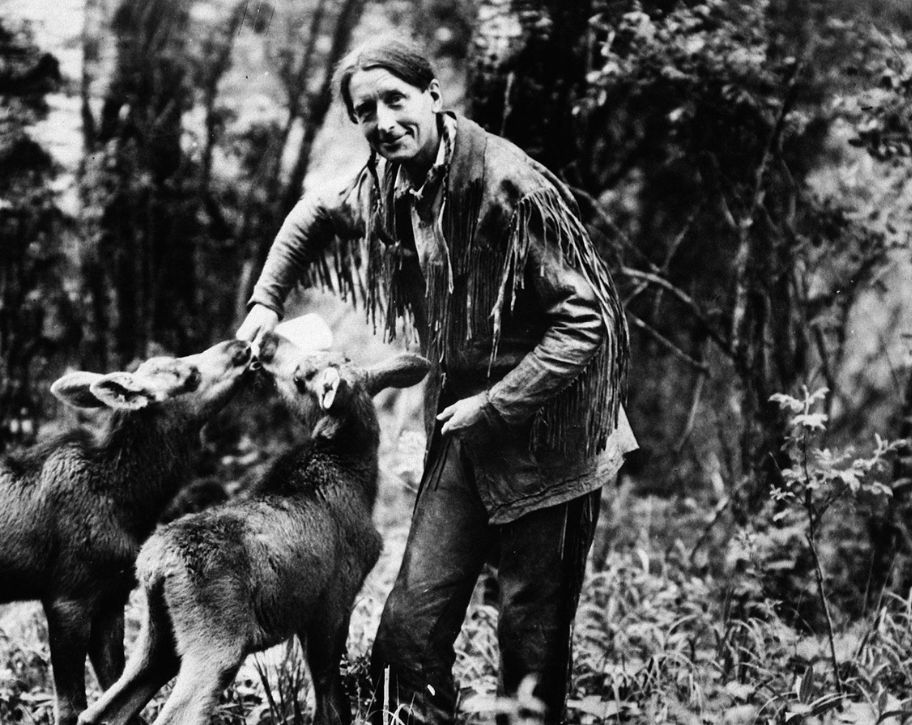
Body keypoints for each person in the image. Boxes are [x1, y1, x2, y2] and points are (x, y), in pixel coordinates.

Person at [236, 36, 637, 725]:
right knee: (405, 640)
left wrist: (497, 402)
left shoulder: (508, 186)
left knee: (528, 646)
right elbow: (314, 213)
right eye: (365, 110)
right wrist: (264, 303)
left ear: (431, 97)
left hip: (552, 436)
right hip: (464, 428)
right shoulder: (392, 177)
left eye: (395, 100)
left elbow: (585, 318)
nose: (382, 120)